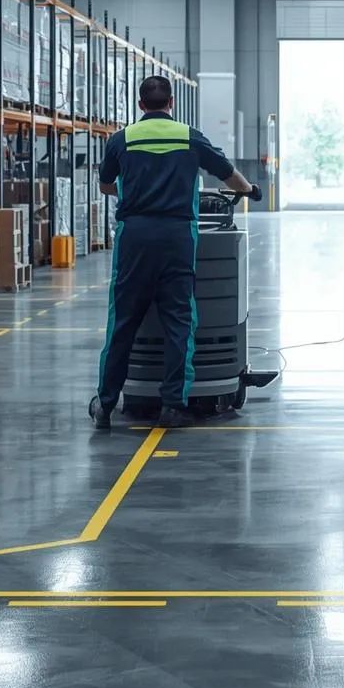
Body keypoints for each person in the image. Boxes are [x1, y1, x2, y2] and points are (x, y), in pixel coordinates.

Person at [90, 75, 261, 430]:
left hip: (134, 236)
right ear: (171, 104)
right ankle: (172, 405)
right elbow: (229, 175)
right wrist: (251, 190)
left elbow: (106, 183)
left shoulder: (122, 139)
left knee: (122, 322)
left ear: (140, 106)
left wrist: (133, 189)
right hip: (177, 236)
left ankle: (105, 405)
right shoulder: (189, 136)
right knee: (179, 321)